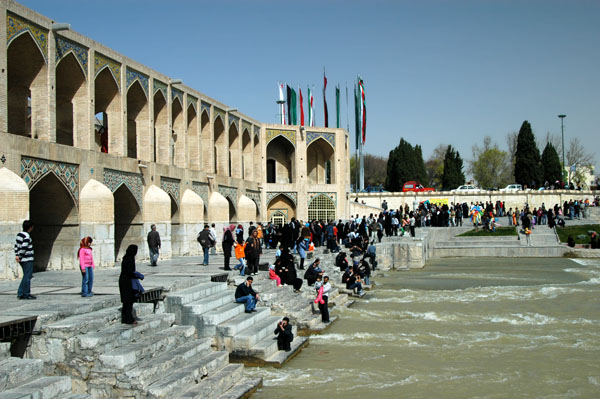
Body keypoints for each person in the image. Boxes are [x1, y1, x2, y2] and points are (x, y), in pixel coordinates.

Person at [14, 220, 36, 300]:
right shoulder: (27, 236)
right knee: (27, 277)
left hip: (22, 259)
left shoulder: (19, 235)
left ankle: (21, 293)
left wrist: (17, 255)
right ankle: (25, 294)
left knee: (25, 276)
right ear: (30, 227)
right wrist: (20, 256)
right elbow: (24, 247)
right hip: (27, 259)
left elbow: (16, 245)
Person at [119, 245, 139, 325]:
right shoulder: (130, 259)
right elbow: (130, 271)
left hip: (123, 280)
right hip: (128, 282)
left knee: (125, 302)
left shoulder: (125, 257)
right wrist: (137, 275)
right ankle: (129, 319)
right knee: (129, 301)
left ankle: (125, 318)